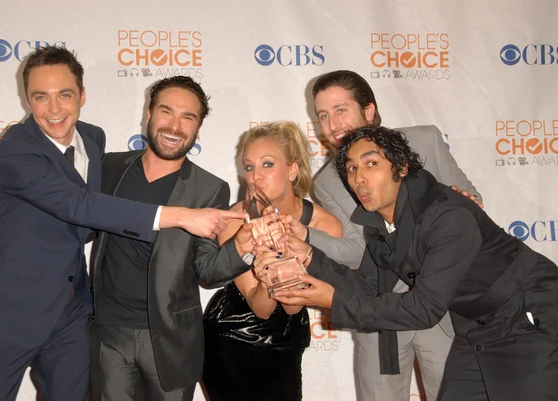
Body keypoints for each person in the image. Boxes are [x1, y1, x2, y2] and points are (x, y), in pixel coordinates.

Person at [0, 46, 246, 401]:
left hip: (73, 315)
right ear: (27, 100)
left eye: (64, 95)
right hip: (11, 312)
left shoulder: (93, 140)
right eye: (41, 97)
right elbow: (81, 205)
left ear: (82, 95)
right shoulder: (16, 150)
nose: (54, 109)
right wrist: (183, 216)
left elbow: (206, 266)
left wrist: (243, 244)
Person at [261, 126, 558, 401]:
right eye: (352, 168)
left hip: (527, 314)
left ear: (401, 168)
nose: (359, 177)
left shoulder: (447, 215)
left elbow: (424, 309)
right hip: (478, 325)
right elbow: (369, 287)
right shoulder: (381, 223)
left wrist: (332, 300)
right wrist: (309, 256)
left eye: (371, 163)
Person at [286, 70, 482, 401]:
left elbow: (470, 200)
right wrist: (302, 234)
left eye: (340, 110)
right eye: (322, 116)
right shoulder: (328, 182)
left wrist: (467, 203)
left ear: (369, 110)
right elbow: (355, 251)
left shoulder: (425, 140)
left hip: (442, 306)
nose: (332, 124)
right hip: (379, 314)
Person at [90, 76, 256, 401]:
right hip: (109, 334)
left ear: (197, 130)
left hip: (171, 341)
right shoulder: (108, 168)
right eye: (166, 112)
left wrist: (242, 248)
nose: (175, 126)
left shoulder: (209, 189)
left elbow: (208, 272)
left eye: (188, 117)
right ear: (148, 114)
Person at [202, 121, 342, 401]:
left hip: (288, 335)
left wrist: (287, 259)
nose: (255, 177)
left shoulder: (325, 226)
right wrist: (267, 264)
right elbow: (260, 306)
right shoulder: (236, 220)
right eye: (249, 167)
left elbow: (293, 307)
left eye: (267, 165)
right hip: (232, 331)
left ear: (292, 170)